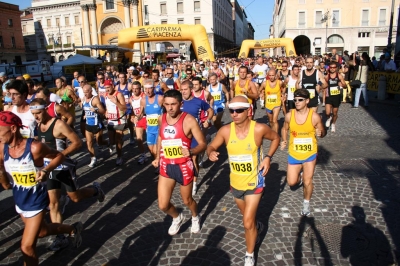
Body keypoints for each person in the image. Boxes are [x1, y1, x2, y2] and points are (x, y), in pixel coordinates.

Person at [0, 111, 83, 266]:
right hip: (19, 199)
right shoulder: (2, 148)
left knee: (26, 246)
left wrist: (46, 170)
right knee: (42, 232)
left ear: (12, 128)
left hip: (36, 199)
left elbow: (59, 156)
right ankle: (72, 229)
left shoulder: (35, 147)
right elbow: (3, 177)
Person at [207, 96, 280, 266]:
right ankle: (258, 227)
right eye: (231, 110)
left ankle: (249, 254)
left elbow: (276, 138)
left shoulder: (259, 129)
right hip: (235, 183)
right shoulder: (225, 131)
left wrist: (268, 157)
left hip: (255, 182)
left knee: (247, 222)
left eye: (239, 110)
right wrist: (210, 152)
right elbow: (212, 145)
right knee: (250, 220)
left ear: (249, 111)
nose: (234, 114)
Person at [29, 99, 105, 252]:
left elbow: (77, 143)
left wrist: (60, 155)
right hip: (49, 168)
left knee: (75, 197)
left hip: (64, 166)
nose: (36, 117)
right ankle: (60, 237)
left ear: (45, 110)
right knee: (53, 204)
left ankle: (95, 190)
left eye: (38, 113)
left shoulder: (58, 124)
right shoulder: (37, 126)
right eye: (33, 114)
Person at [152, 90, 206, 236]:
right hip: (166, 165)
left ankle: (195, 216)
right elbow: (160, 138)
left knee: (187, 200)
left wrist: (192, 151)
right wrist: (158, 157)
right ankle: (177, 217)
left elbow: (203, 144)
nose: (170, 108)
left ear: (181, 104)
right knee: (163, 205)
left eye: (173, 104)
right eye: (167, 104)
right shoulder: (161, 118)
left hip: (183, 166)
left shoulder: (189, 120)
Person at [281, 89, 326, 217]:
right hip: (294, 154)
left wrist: (320, 133)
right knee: (291, 182)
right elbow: (284, 129)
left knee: (308, 181)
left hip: (309, 154)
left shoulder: (314, 117)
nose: (297, 102)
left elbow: (323, 133)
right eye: (295, 100)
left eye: (300, 100)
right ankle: (299, 177)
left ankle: (306, 204)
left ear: (307, 101)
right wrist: (284, 140)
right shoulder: (290, 115)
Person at [180, 80, 214, 195]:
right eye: (182, 90)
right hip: (181, 136)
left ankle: (194, 183)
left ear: (191, 89)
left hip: (195, 135)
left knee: (193, 158)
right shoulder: (178, 102)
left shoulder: (199, 102)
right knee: (182, 158)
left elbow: (210, 110)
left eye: (185, 89)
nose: (183, 92)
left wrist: (208, 120)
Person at [81, 84, 108, 167]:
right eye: (84, 92)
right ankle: (93, 158)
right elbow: (85, 109)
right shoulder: (83, 99)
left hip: (97, 124)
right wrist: (85, 114)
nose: (85, 94)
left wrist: (96, 110)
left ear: (91, 91)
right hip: (88, 124)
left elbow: (103, 111)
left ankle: (108, 143)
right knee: (89, 143)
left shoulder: (95, 99)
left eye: (86, 92)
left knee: (99, 142)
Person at [138, 79, 164, 165]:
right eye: (146, 89)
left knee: (156, 149)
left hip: (159, 129)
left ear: (154, 88)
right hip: (149, 129)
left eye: (149, 89)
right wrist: (137, 117)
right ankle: (157, 161)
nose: (147, 91)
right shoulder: (143, 100)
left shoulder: (160, 99)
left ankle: (160, 166)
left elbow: (167, 110)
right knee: (151, 150)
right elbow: (141, 114)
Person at [104, 79, 127, 165]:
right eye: (105, 88)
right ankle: (120, 141)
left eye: (108, 87)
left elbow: (124, 108)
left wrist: (116, 102)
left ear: (112, 86)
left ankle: (119, 157)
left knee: (117, 141)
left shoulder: (119, 94)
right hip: (110, 121)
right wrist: (106, 111)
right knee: (112, 141)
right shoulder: (105, 95)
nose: (107, 89)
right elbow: (107, 106)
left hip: (119, 121)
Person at [325, 61, 346, 132]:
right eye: (331, 67)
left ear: (336, 68)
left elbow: (345, 86)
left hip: (336, 96)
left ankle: (333, 123)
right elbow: (323, 85)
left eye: (334, 67)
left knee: (335, 113)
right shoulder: (327, 76)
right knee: (327, 112)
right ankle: (329, 118)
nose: (332, 69)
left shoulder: (339, 76)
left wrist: (342, 85)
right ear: (329, 68)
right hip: (329, 96)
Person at [130, 81, 148, 164]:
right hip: (138, 120)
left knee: (151, 140)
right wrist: (132, 116)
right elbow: (133, 110)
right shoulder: (131, 98)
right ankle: (143, 155)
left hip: (146, 118)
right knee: (139, 139)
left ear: (140, 89)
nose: (135, 90)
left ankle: (156, 155)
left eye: (137, 89)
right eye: (133, 89)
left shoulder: (144, 96)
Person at [117, 73, 135, 144]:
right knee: (122, 123)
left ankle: (131, 136)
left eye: (123, 77)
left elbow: (134, 94)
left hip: (128, 108)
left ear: (125, 78)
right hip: (120, 108)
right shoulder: (117, 87)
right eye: (120, 78)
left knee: (129, 123)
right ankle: (122, 135)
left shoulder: (129, 86)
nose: (121, 79)